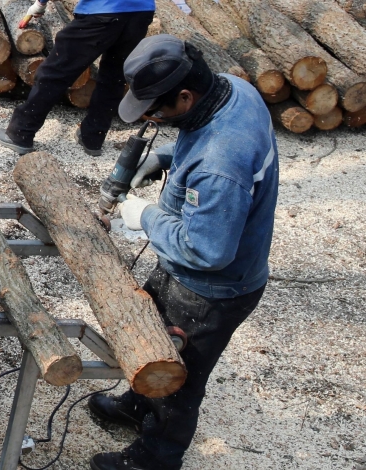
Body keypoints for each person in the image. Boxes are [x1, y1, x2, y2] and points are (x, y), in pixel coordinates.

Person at [88, 34, 279, 470]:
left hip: (210, 288)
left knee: (178, 378)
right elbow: (204, 138)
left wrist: (145, 217)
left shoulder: (221, 162)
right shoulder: (232, 88)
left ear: (187, 95)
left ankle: (155, 458)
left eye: (156, 109)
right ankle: (137, 406)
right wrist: (164, 157)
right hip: (184, 265)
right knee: (156, 341)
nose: (152, 116)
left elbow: (208, 251)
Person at [0, 0, 156, 156]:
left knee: (56, 70)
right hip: (141, 12)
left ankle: (21, 132)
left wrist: (40, 4)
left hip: (102, 10)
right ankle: (93, 136)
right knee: (114, 76)